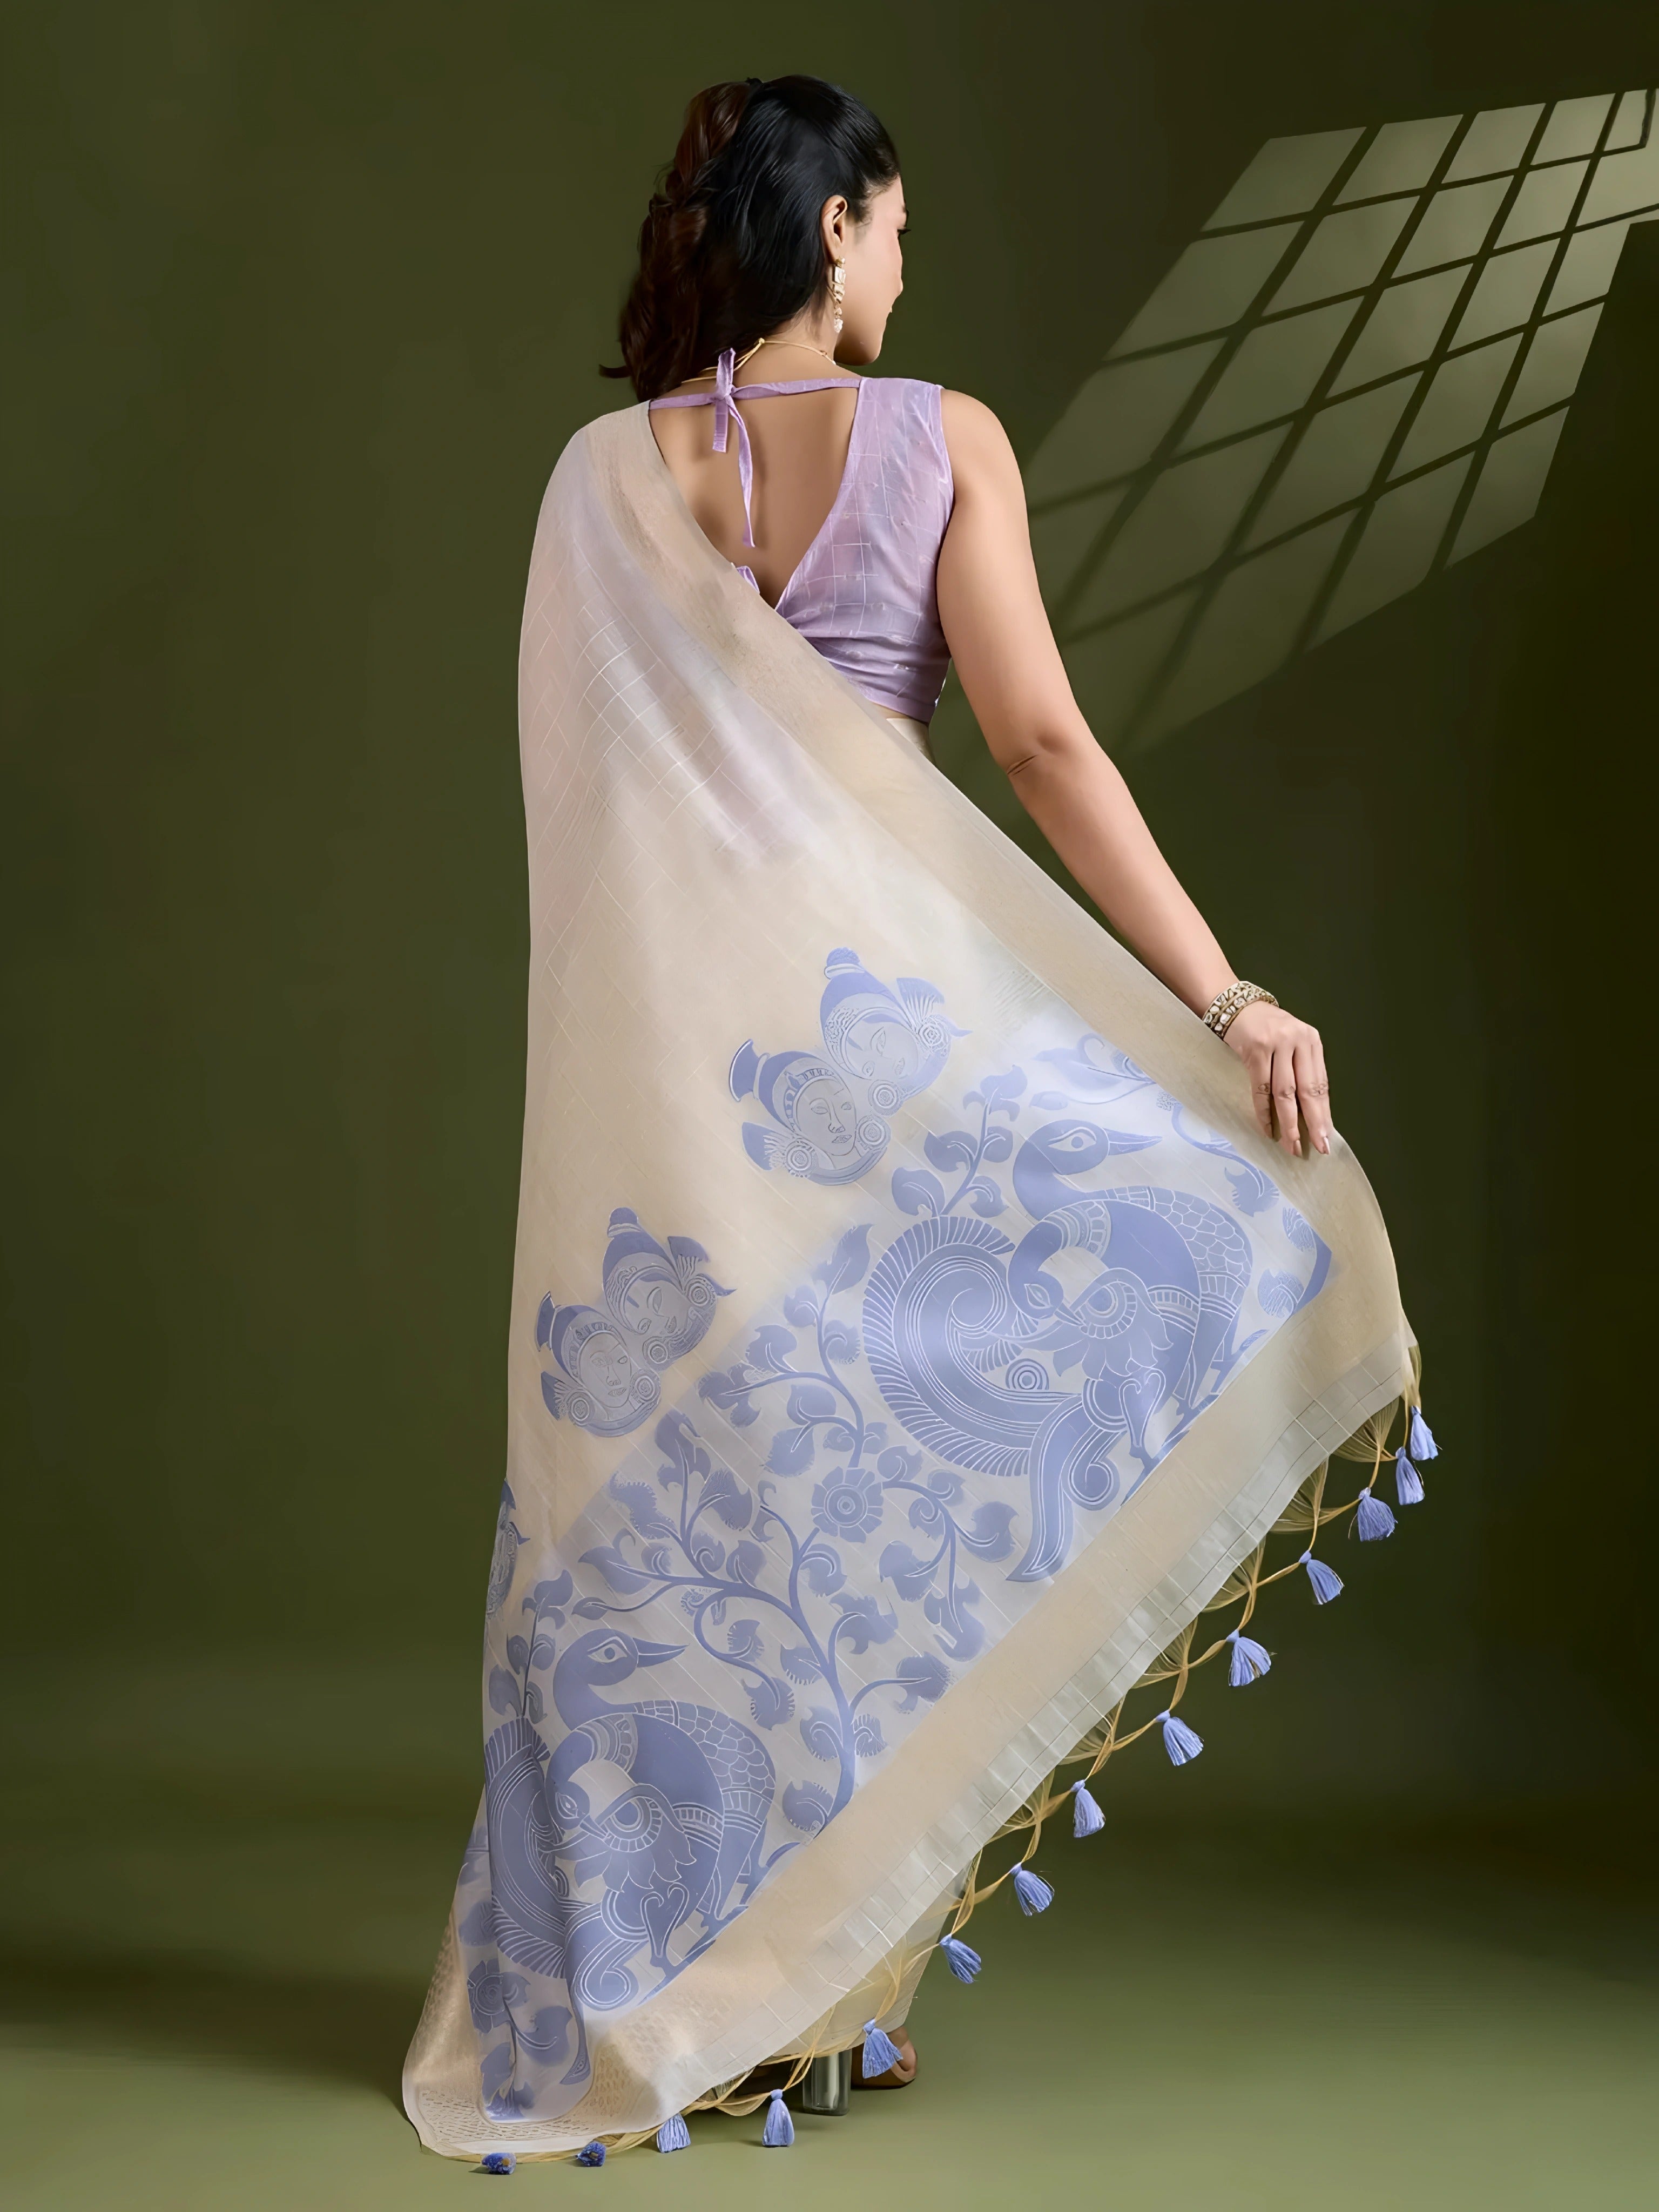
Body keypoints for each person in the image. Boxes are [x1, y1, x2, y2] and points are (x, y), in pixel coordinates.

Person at [403, 73, 1427, 2164]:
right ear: (841, 225)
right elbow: (1041, 742)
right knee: (876, 1480)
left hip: (698, 1085)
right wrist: (1219, 998)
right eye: (897, 230)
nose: (909, 268)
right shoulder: (941, 442)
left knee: (742, 1511)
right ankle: (815, 1995)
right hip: (892, 1057)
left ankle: (745, 1998)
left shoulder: (608, 478)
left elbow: (584, 826)